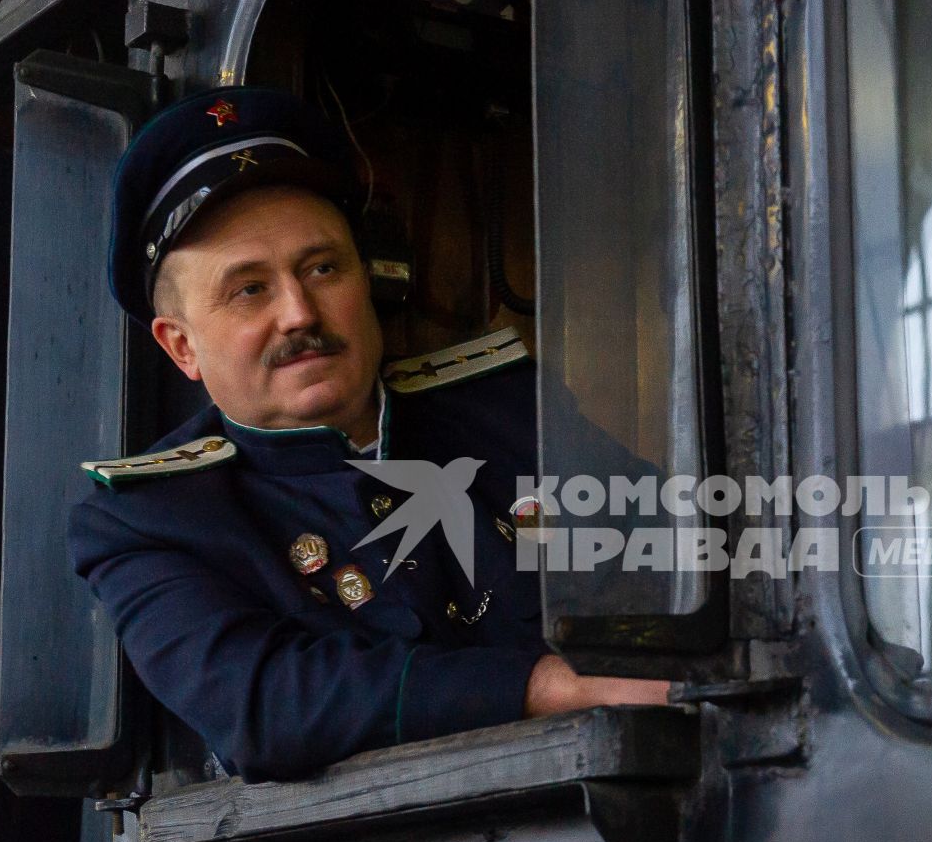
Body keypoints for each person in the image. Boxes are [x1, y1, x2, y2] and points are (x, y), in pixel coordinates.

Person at [68, 86, 666, 782]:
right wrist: (545, 686)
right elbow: (264, 702)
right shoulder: (144, 519)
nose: (299, 312)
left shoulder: (505, 409)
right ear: (182, 348)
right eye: (250, 289)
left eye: (323, 268)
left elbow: (685, 550)